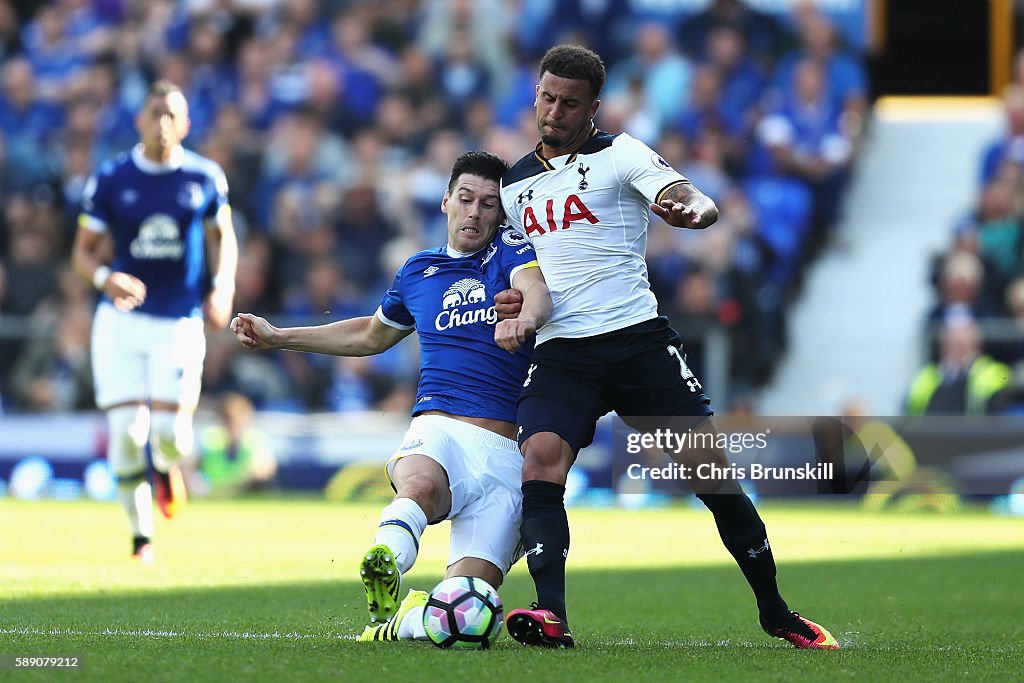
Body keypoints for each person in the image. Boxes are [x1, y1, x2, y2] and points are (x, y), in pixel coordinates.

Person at [495, 44, 838, 650]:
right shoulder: (514, 184)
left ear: (594, 108)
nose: (554, 112)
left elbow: (687, 194)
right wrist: (516, 302)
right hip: (563, 351)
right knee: (540, 458)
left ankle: (776, 611)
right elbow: (527, 268)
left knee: (711, 476)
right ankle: (552, 615)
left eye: (569, 104)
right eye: (547, 98)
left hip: (636, 344)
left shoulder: (621, 153)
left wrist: (694, 213)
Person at [230, 151, 551, 641]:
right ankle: (387, 564)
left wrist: (525, 317)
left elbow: (538, 291)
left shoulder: (511, 252)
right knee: (419, 487)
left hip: (508, 456)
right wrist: (278, 337)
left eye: (489, 204)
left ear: (500, 213)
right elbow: (368, 336)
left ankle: (401, 622)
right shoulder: (418, 271)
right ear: (446, 202)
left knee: (464, 616)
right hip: (439, 427)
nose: (475, 212)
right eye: (465, 199)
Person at [71, 80, 238, 564]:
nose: (162, 122)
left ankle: (165, 466)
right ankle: (140, 537)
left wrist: (222, 285)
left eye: (172, 114)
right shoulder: (112, 178)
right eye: (155, 113)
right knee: (125, 432)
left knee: (171, 436)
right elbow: (80, 254)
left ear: (185, 124)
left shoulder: (204, 177)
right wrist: (106, 278)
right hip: (121, 320)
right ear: (138, 120)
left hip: (178, 320)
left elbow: (221, 236)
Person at [906, 316, 1011, 416]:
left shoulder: (995, 373)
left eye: (961, 344)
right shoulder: (926, 376)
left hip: (975, 433)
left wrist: (963, 369)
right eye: (950, 342)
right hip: (928, 432)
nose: (956, 346)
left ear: (977, 345)